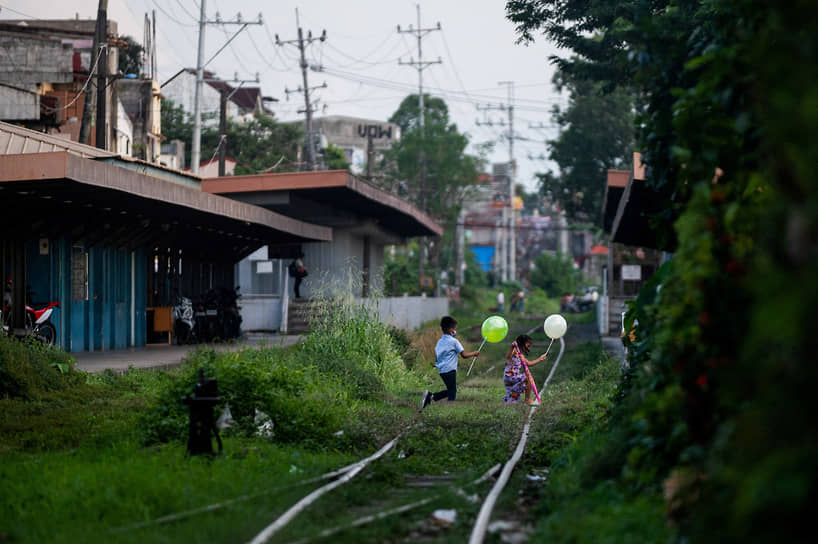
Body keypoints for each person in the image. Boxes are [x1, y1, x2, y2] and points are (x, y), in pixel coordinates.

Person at [420, 316, 480, 409]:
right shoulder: (454, 342)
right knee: (452, 392)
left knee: (451, 390)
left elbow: (437, 356)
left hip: (442, 370)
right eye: (455, 329)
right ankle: (449, 409)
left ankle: (431, 397)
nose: (456, 331)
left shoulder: (440, 341)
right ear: (450, 329)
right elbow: (464, 355)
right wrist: (474, 353)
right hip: (450, 370)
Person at [503, 334, 548, 405]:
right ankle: (527, 400)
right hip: (510, 376)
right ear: (522, 343)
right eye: (528, 345)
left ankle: (511, 400)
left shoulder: (521, 355)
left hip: (514, 377)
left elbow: (529, 364)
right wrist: (512, 347)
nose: (528, 348)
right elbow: (508, 356)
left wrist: (540, 359)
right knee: (528, 378)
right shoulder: (514, 351)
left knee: (513, 398)